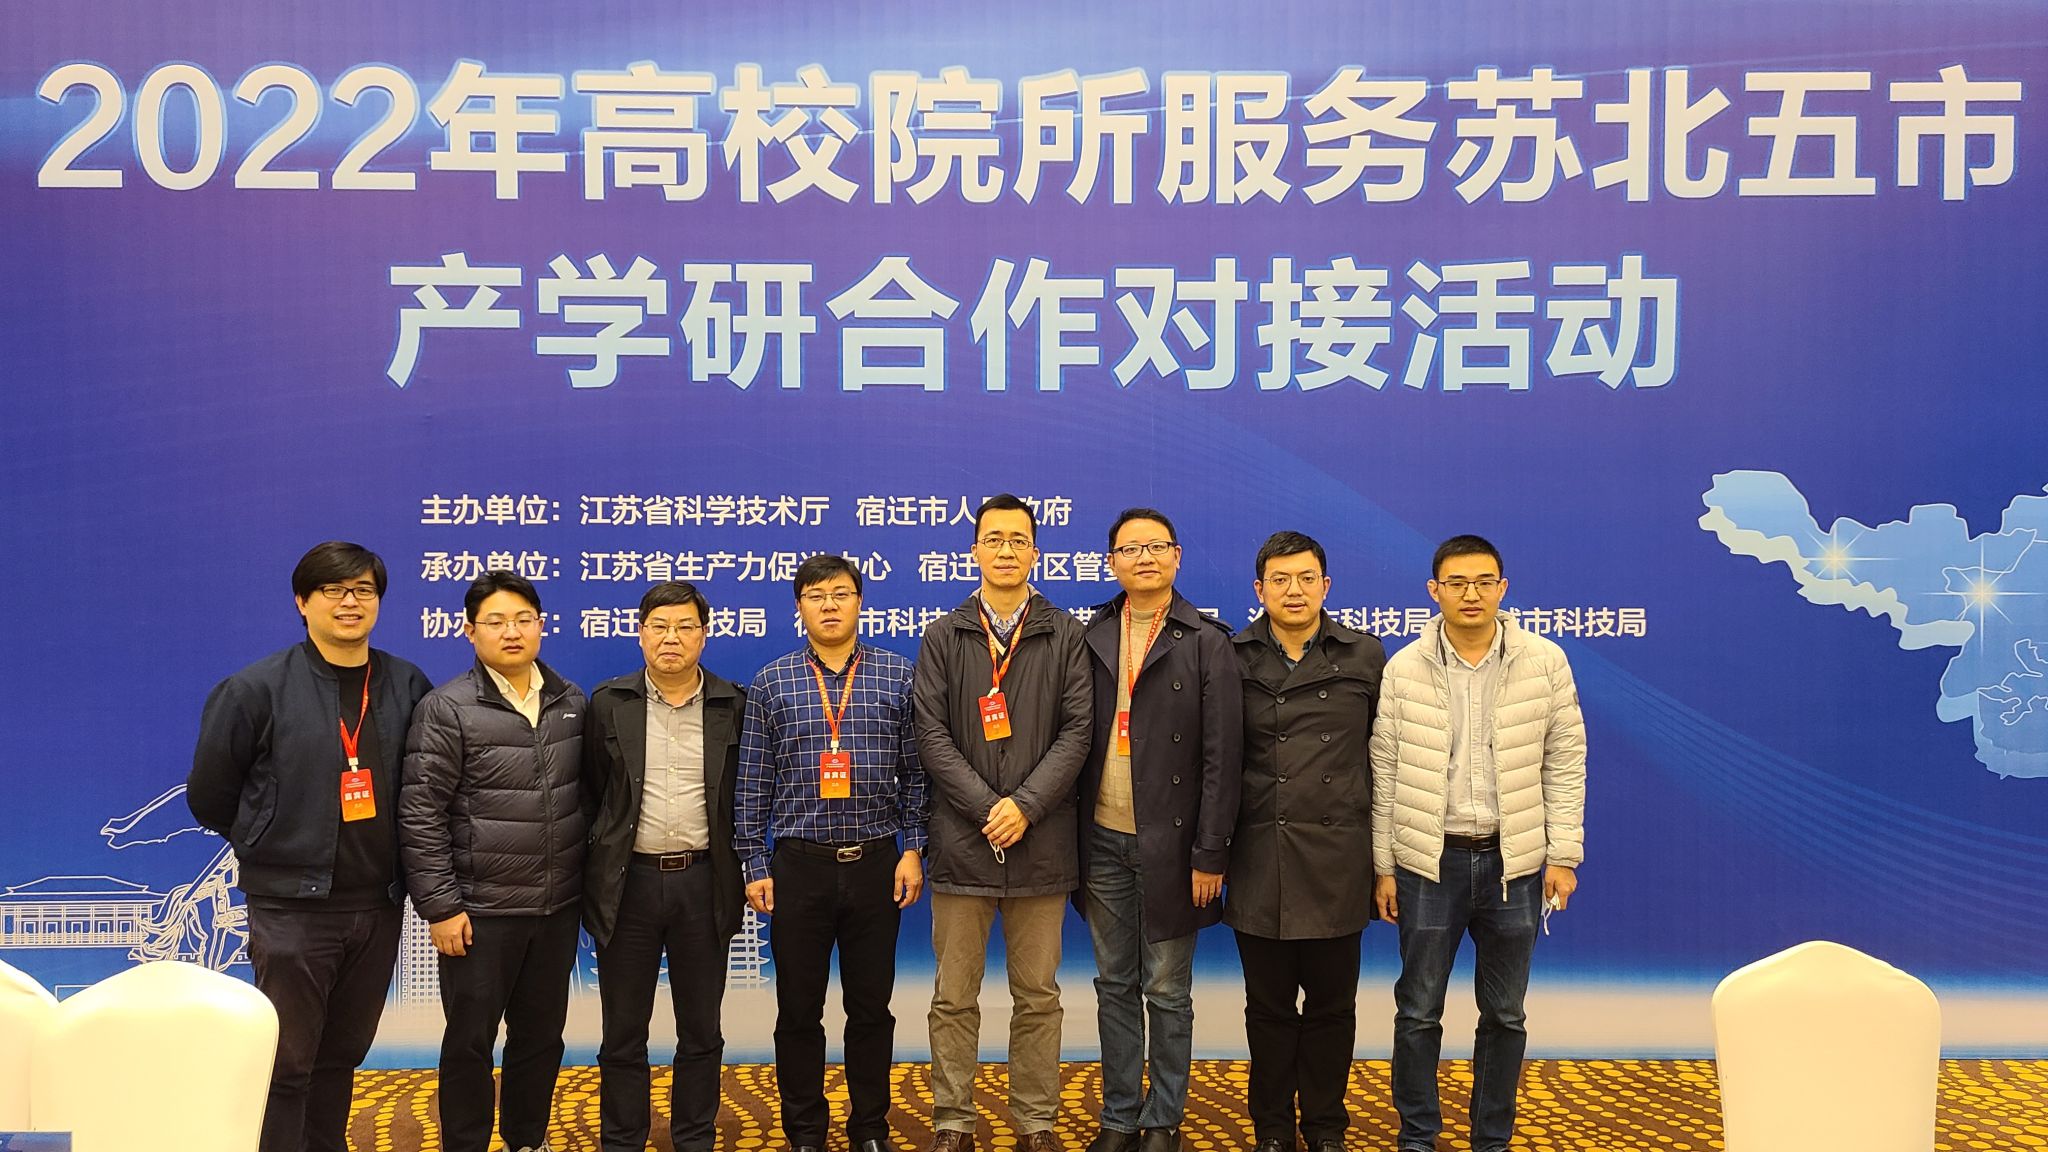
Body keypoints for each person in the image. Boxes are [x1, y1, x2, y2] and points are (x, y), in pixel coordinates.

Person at [188, 541, 433, 1152]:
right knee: (288, 1061)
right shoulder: (256, 689)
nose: (351, 602)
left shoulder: (406, 684)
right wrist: (270, 840)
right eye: (333, 590)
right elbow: (211, 795)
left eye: (364, 590)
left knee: (341, 1055)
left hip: (378, 905)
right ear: (303, 602)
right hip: (292, 908)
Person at [1370, 535, 1586, 1152]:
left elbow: (1565, 760)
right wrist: (1384, 865)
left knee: (1505, 1014)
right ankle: (1418, 1136)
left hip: (1512, 862)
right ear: (1434, 591)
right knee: (1418, 1011)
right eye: (1457, 583)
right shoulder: (1403, 667)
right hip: (1428, 862)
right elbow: (1384, 768)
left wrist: (1563, 855)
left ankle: (1492, 1138)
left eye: (1484, 581)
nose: (1471, 594)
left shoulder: (1544, 661)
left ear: (1503, 588)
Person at [912, 495, 1092, 1152]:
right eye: (994, 539)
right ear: (975, 551)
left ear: (1036, 552)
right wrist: (989, 807)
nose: (1006, 550)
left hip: (1041, 841)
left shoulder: (1064, 633)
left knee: (1038, 995)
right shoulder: (944, 634)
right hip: (964, 842)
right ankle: (953, 1121)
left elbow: (1078, 731)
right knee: (954, 997)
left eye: (1019, 539)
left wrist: (1025, 806)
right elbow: (931, 735)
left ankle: (1036, 1122)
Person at [735, 554, 931, 1152]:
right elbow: (753, 782)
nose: (829, 604)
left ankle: (870, 1129)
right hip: (799, 867)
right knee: (798, 1011)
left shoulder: (898, 675)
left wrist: (913, 848)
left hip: (876, 863)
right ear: (799, 607)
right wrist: (755, 863)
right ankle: (805, 1133)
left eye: (841, 593)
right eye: (815, 595)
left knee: (871, 1010)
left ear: (859, 602)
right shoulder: (772, 682)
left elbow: (917, 773)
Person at [402, 570, 586, 1152]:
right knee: (470, 1043)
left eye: (523, 620)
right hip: (479, 913)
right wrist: (441, 907)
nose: (512, 632)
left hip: (556, 908)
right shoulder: (447, 708)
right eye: (496, 621)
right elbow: (421, 814)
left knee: (541, 1037)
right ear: (470, 631)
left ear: (541, 625)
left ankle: (527, 1139)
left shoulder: (571, 700)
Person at [1077, 508, 1243, 1152]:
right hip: (1102, 838)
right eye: (1130, 548)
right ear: (1111, 562)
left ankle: (1163, 1118)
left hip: (1175, 847)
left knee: (1168, 990)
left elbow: (1222, 759)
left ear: (1177, 556)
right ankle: (1120, 1115)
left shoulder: (1205, 640)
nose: (1144, 557)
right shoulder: (1092, 634)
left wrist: (1211, 853)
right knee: (1114, 985)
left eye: (1156, 546)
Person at [1225, 532, 1386, 1152]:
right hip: (1259, 855)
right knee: (1267, 1009)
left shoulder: (1364, 655)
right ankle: (1271, 1128)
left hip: (1337, 859)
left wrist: (1385, 862)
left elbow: (1386, 761)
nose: (1294, 591)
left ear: (1326, 585)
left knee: (1331, 1008)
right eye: (1280, 579)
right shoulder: (1230, 655)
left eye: (1306, 578)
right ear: (1259, 589)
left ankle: (1324, 1126)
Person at [582, 581, 748, 1152]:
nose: (671, 638)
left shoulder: (732, 704)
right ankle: (622, 1139)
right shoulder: (608, 703)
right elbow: (593, 794)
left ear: (704, 634)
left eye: (684, 627)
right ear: (640, 633)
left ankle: (694, 1137)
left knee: (701, 1028)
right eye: (659, 627)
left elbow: (745, 795)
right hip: (628, 884)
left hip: (704, 882)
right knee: (622, 1032)